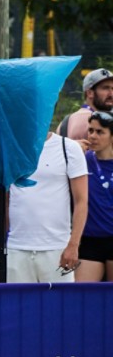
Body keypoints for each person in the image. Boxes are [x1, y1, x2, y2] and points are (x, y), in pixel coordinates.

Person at [5, 130, 87, 283]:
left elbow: (81, 201)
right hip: (17, 247)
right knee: (18, 306)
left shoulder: (68, 147)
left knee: (58, 306)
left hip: (57, 248)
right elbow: (3, 196)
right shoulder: (10, 147)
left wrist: (73, 245)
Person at [77, 110, 113, 281]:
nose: (93, 136)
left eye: (100, 132)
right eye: (90, 130)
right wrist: (72, 149)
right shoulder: (81, 158)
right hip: (90, 239)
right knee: (81, 296)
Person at [58, 67, 113, 144]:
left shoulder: (64, 123)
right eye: (105, 88)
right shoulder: (99, 122)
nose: (111, 94)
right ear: (90, 93)